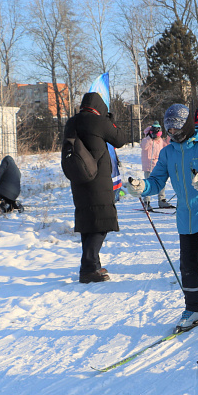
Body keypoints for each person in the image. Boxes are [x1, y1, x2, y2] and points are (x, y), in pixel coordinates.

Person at [126, 103, 198, 327]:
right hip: (185, 217)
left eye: (177, 129)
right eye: (169, 129)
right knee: (188, 264)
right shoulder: (168, 152)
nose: (173, 133)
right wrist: (143, 186)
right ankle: (193, 309)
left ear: (187, 126)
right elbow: (157, 181)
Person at [64, 92, 127, 283]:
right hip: (98, 181)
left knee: (88, 222)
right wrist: (111, 121)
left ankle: (93, 264)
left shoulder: (71, 122)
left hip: (78, 178)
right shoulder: (99, 122)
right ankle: (88, 269)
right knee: (102, 222)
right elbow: (120, 139)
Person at [140, 122, 172, 210]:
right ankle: (146, 201)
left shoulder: (160, 140)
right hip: (149, 165)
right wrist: (150, 137)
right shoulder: (147, 139)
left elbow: (167, 146)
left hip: (159, 165)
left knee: (161, 182)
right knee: (148, 183)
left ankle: (162, 200)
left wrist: (170, 136)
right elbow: (144, 147)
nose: (157, 136)